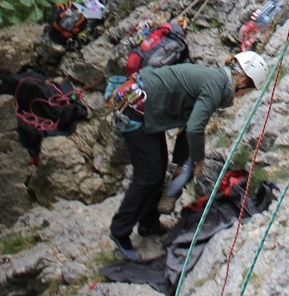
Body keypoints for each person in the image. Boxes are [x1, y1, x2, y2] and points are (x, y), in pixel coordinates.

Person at [108, 53, 267, 262]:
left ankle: (148, 223)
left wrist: (180, 164)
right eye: (247, 90)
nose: (243, 95)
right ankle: (119, 232)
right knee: (148, 176)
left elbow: (187, 123)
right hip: (135, 110)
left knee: (157, 170)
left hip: (146, 107)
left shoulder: (216, 82)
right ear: (243, 81)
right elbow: (194, 128)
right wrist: (198, 159)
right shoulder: (216, 87)